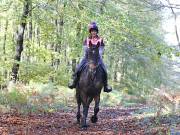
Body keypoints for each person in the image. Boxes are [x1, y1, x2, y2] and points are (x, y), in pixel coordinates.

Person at [68, 22, 112, 93]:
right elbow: (85, 48)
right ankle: (74, 82)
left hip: (97, 57)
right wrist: (90, 52)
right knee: (78, 68)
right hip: (87, 57)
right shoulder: (87, 39)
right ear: (90, 32)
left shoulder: (100, 39)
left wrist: (98, 53)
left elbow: (101, 48)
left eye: (94, 31)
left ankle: (106, 85)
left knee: (104, 70)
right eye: (92, 31)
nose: (93, 32)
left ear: (96, 32)